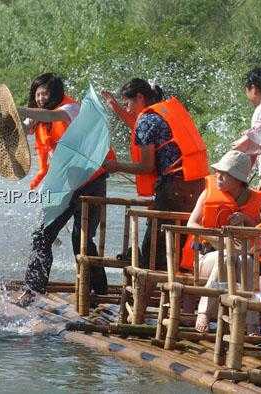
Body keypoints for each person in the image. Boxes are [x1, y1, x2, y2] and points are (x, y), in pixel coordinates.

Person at [15, 73, 115, 306]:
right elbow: (22, 129)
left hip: (91, 182)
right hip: (63, 185)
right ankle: (32, 289)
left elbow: (51, 114)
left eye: (45, 94)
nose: (40, 99)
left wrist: (21, 109)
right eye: (37, 94)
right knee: (42, 235)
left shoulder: (71, 108)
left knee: (81, 238)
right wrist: (4, 121)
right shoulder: (37, 117)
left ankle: (96, 291)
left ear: (56, 94)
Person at [102, 78, 208, 270]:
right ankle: (173, 295)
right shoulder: (166, 112)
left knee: (155, 250)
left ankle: (148, 294)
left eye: (127, 103)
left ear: (140, 97)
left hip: (173, 189)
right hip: (196, 185)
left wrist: (115, 166)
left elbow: (146, 166)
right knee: (177, 244)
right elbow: (139, 127)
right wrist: (115, 107)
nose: (126, 109)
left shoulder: (146, 121)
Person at [188, 151, 261, 332]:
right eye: (218, 172)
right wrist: (217, 241)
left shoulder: (255, 200)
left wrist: (245, 218)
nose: (218, 176)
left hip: (240, 260)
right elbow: (192, 223)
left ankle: (251, 323)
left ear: (239, 180)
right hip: (207, 258)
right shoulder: (208, 192)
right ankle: (204, 312)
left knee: (246, 260)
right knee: (226, 255)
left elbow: (260, 232)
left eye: (225, 174)